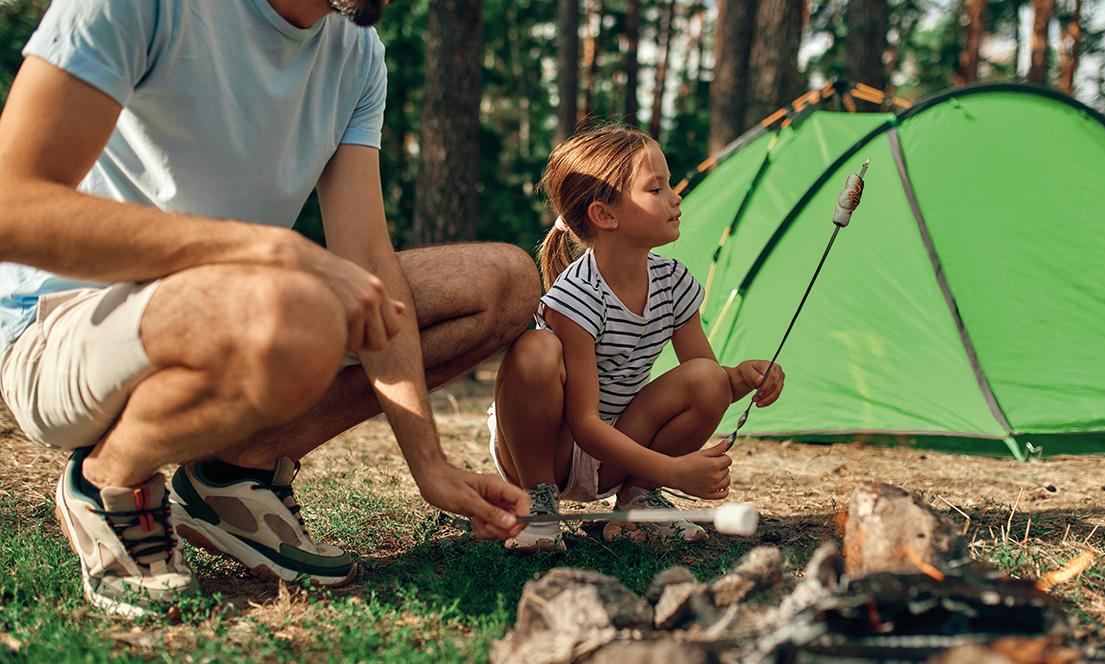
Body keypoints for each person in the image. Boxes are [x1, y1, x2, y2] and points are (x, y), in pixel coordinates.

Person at [0, 0, 536, 617]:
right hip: (62, 327)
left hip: (243, 313)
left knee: (504, 284)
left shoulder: (357, 53)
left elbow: (368, 263)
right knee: (294, 307)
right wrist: (262, 249)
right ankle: (108, 479)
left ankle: (232, 476)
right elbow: (15, 211)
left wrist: (429, 464)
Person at [488, 126, 785, 552]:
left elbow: (709, 380)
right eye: (656, 188)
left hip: (614, 452)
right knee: (536, 349)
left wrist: (744, 377)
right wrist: (673, 470)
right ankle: (538, 506)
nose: (676, 197)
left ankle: (637, 503)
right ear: (605, 215)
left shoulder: (672, 281)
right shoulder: (577, 296)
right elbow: (585, 424)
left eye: (669, 185)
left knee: (707, 376)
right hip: (548, 452)